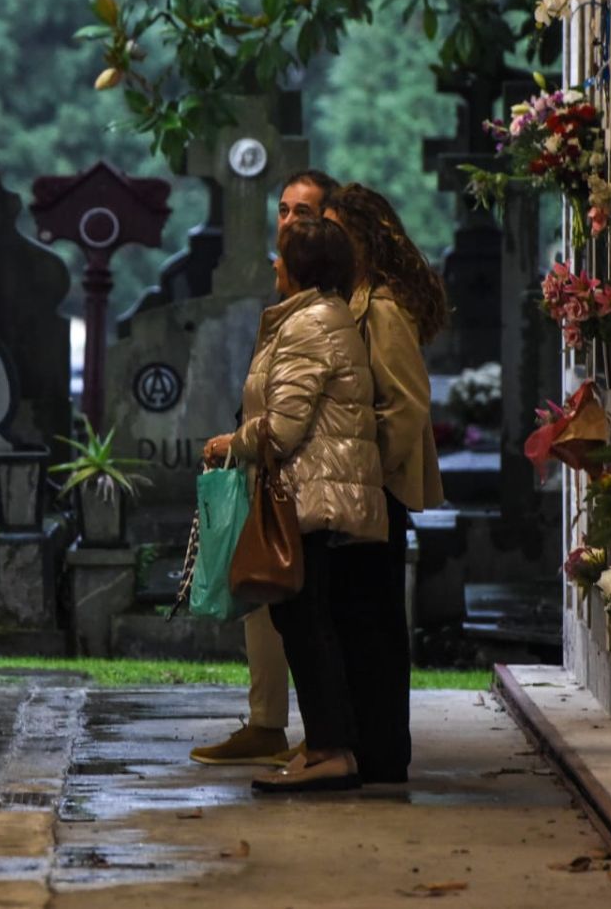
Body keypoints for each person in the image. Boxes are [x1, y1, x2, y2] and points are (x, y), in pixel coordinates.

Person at [201, 217, 385, 793]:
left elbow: (283, 427)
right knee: (304, 619)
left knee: (305, 623)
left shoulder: (308, 325)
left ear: (301, 267)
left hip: (311, 490)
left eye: (281, 256)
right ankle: (328, 745)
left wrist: (231, 443)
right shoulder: (317, 318)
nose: (273, 265)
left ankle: (331, 749)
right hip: (317, 487)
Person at [191, 168, 339, 768]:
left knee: (299, 611)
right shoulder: (291, 301)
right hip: (270, 472)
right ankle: (266, 721)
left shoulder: (321, 308)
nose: (286, 222)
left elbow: (292, 413)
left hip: (299, 475)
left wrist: (241, 440)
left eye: (301, 213)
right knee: (263, 604)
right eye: (282, 210)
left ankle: (321, 733)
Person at [319, 183, 448, 786]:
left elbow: (405, 405)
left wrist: (370, 478)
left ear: (365, 239)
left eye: (338, 232)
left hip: (376, 492)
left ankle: (383, 750)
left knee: (374, 627)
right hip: (361, 488)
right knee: (356, 620)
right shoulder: (352, 299)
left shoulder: (384, 310)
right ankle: (364, 744)